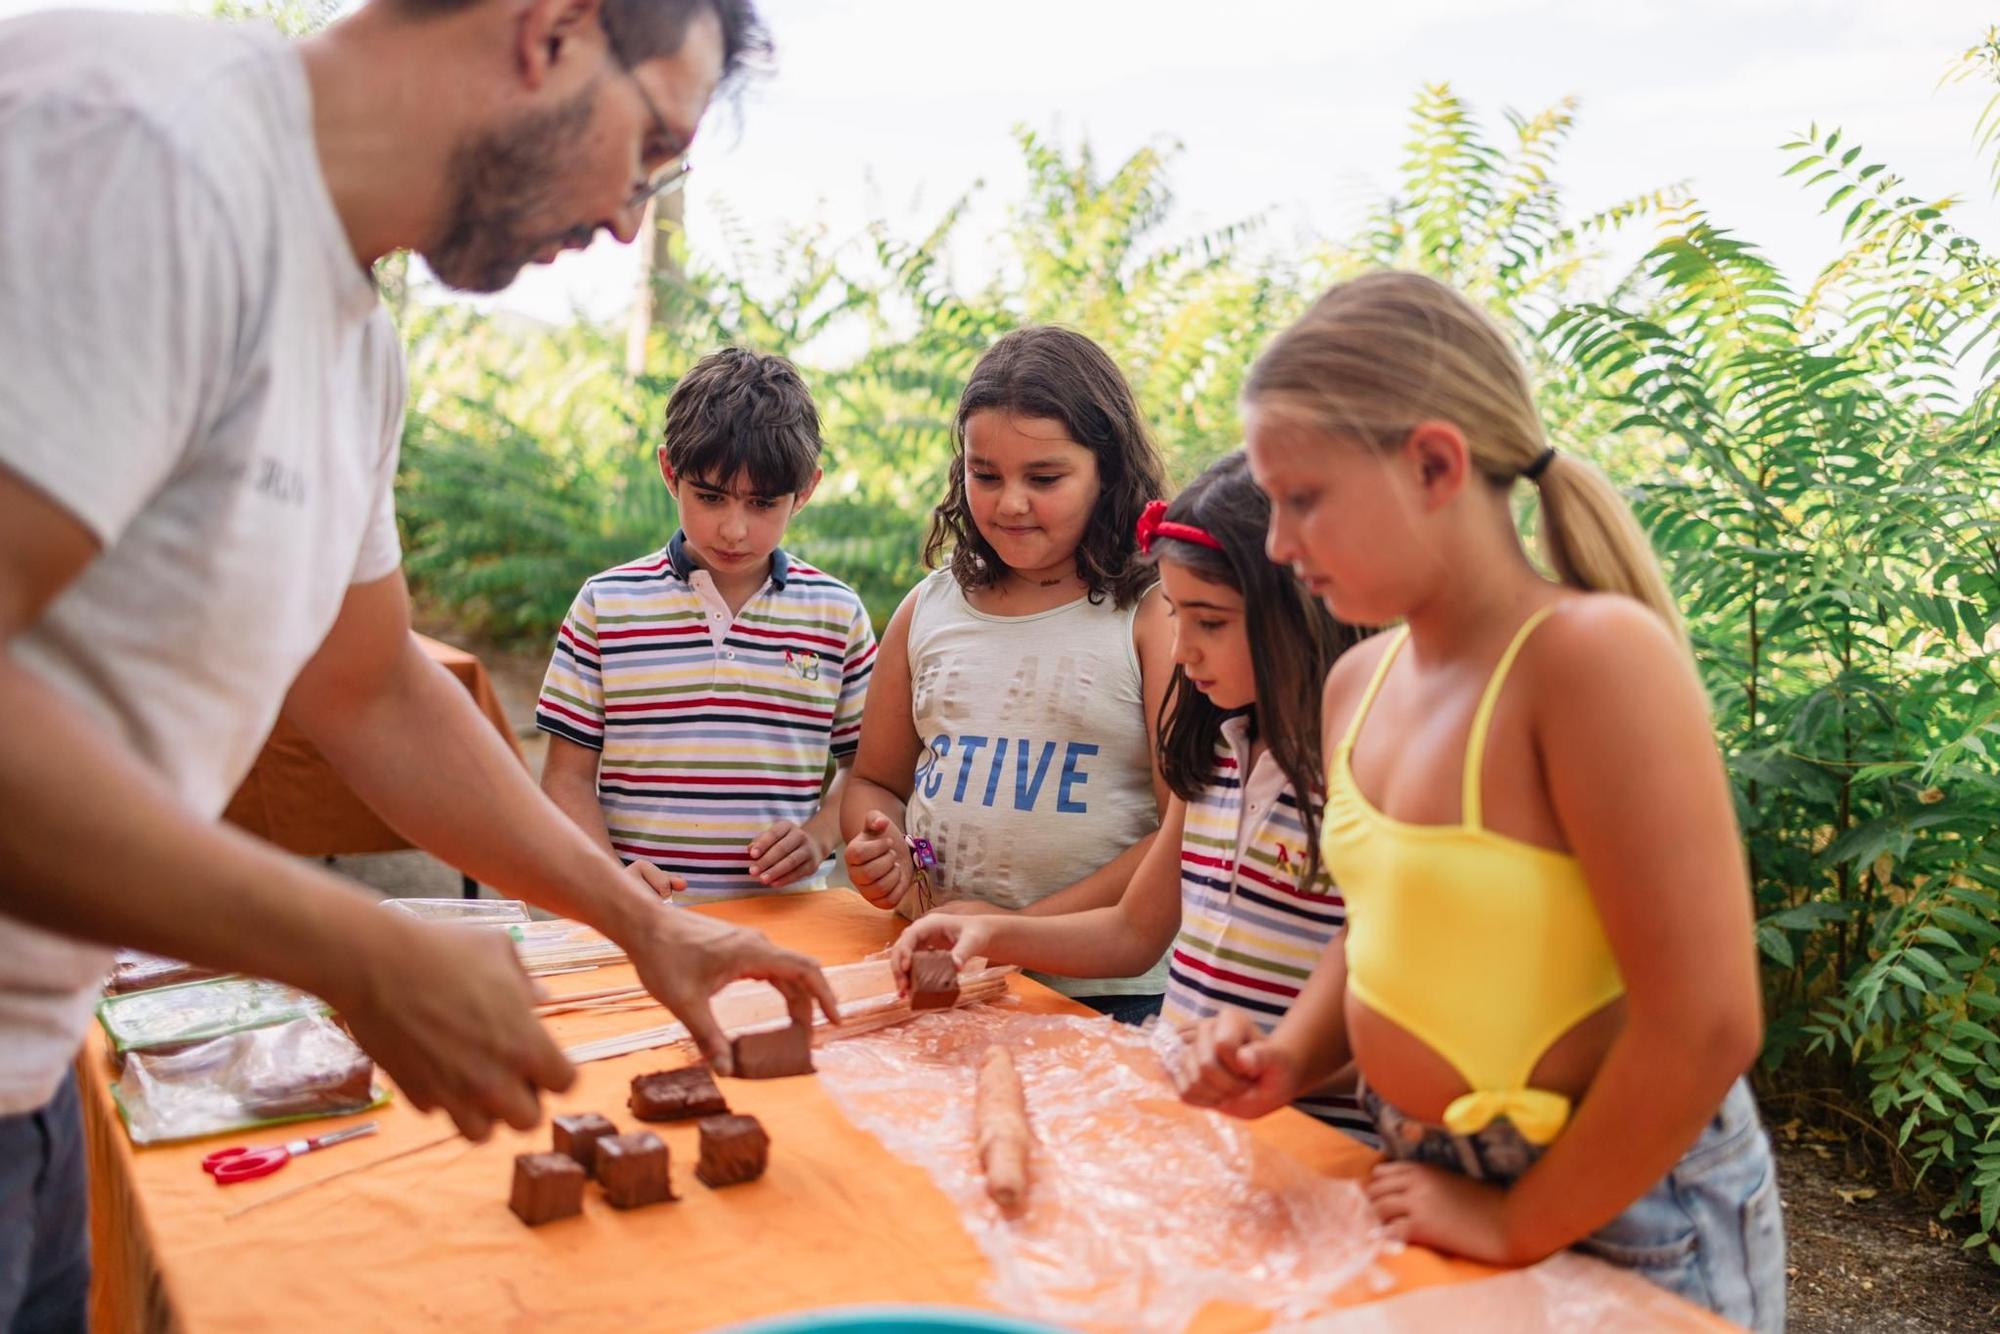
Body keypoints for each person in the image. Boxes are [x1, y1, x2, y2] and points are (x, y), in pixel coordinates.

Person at [0, 2, 835, 1327]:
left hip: (31, 1079)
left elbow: (374, 688)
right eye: (650, 148)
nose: (630, 221)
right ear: (552, 30)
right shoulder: (147, 149)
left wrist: (639, 917)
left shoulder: (353, 343)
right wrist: (359, 949)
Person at [1176, 272, 1783, 1330]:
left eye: (1302, 497)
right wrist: (1290, 1053)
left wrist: (1520, 1220)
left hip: (1621, 1203)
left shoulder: (1589, 661)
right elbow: (1385, 930)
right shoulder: (1356, 684)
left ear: (1431, 464)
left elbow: (1704, 1022)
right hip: (1421, 1174)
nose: (1274, 542)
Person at [893, 452, 1377, 1140]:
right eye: (1177, 616)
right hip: (1188, 1125)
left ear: (1300, 611)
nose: (1180, 652)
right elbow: (1132, 932)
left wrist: (1279, 1063)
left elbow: (1405, 1007)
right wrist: (994, 932)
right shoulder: (1211, 759)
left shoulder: (1370, 779)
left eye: (1209, 622)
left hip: (1317, 1140)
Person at [840, 326, 1175, 1023]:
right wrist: (884, 848)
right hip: (940, 980)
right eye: (985, 475)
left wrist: (1010, 930)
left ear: (1107, 470)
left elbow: (1181, 830)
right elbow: (875, 779)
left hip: (1107, 995)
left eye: (1044, 479)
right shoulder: (927, 608)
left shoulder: (1153, 616)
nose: (1009, 503)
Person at [538, 347, 876, 900]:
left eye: (763, 504)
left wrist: (819, 836)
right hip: (644, 924)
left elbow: (867, 772)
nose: (734, 530)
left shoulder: (836, 616)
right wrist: (609, 880)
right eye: (711, 497)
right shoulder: (607, 605)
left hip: (786, 925)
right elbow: (565, 778)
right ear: (671, 471)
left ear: (806, 491)